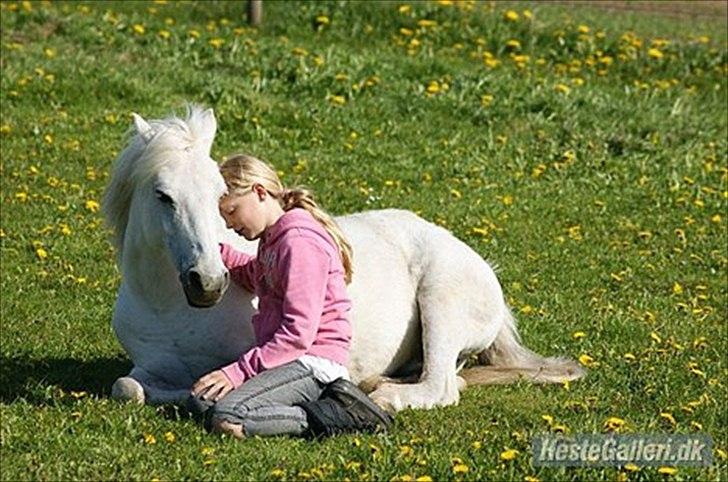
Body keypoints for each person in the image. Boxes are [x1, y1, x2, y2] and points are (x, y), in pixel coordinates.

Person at [187, 154, 392, 439]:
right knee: (200, 400)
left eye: (232, 212)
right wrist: (211, 252)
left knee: (227, 417)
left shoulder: (299, 243)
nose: (230, 225)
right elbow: (253, 275)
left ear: (259, 192)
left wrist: (238, 372)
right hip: (284, 359)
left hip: (311, 361)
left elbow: (297, 335)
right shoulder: (272, 241)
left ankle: (342, 415)